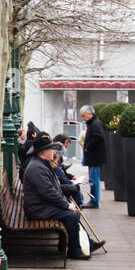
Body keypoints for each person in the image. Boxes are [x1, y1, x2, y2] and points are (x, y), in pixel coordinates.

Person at [22, 133, 103, 261]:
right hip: (38, 209)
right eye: (51, 149)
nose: (54, 151)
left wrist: (66, 201)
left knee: (72, 212)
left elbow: (53, 188)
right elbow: (48, 192)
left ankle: (78, 245)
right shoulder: (37, 168)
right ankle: (74, 250)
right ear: (43, 152)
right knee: (70, 215)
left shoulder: (41, 164)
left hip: (41, 205)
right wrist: (66, 205)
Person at [80, 104, 106, 208]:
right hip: (94, 156)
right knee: (93, 179)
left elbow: (98, 137)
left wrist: (88, 147)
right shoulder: (93, 123)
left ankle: (94, 201)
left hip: (95, 157)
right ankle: (93, 200)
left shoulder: (95, 123)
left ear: (90, 114)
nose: (83, 118)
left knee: (94, 180)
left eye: (84, 115)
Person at [53, 134, 84, 207]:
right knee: (75, 189)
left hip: (58, 185)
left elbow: (61, 173)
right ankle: (78, 207)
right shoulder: (54, 158)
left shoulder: (55, 157)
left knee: (75, 188)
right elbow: (60, 174)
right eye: (66, 146)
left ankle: (78, 206)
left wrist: (71, 179)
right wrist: (70, 183)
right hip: (58, 186)